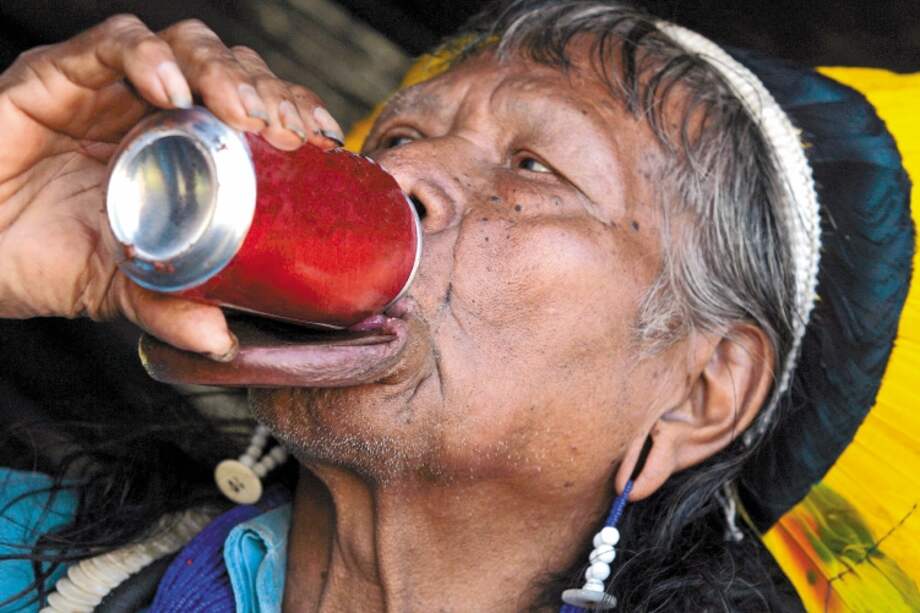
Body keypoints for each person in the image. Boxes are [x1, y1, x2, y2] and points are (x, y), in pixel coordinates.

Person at [1, 0, 918, 611]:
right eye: (397, 132)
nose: (395, 173)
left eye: (533, 168)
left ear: (699, 392)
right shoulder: (35, 562)